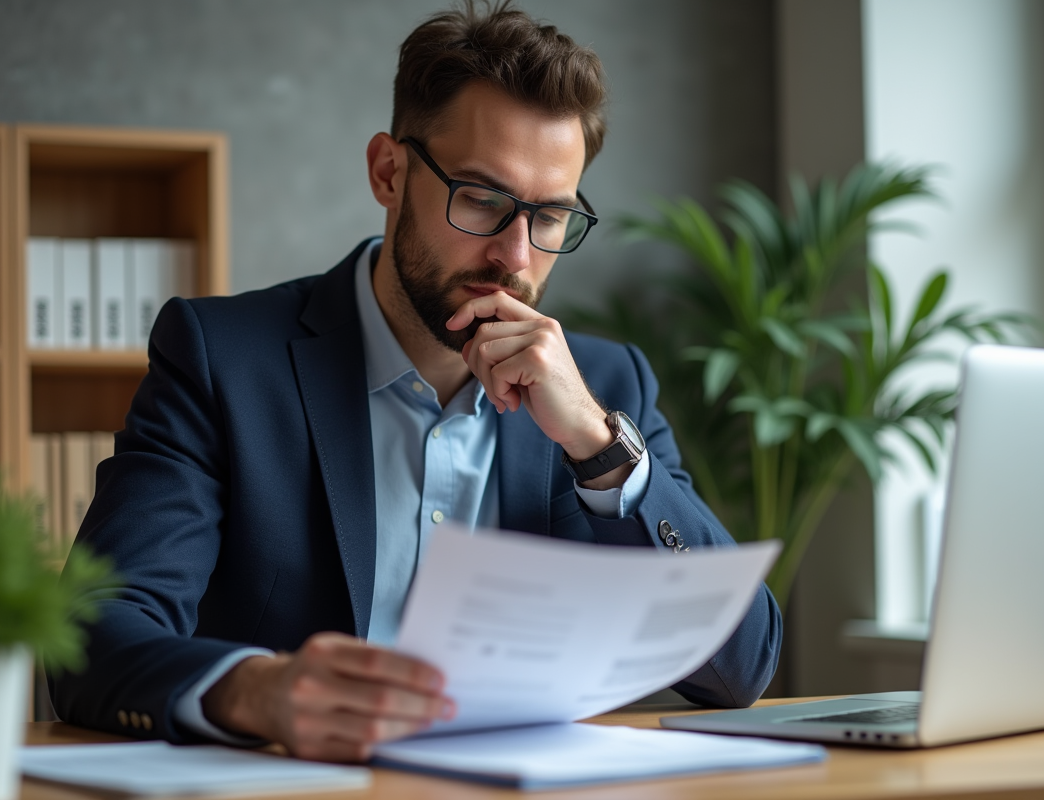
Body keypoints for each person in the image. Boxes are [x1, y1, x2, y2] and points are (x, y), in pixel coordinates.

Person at [50, 1, 782, 764]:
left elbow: (742, 666)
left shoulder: (605, 389)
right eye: (483, 200)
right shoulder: (221, 359)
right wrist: (257, 691)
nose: (516, 257)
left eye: (551, 216)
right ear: (388, 172)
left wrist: (600, 451)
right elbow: (92, 635)